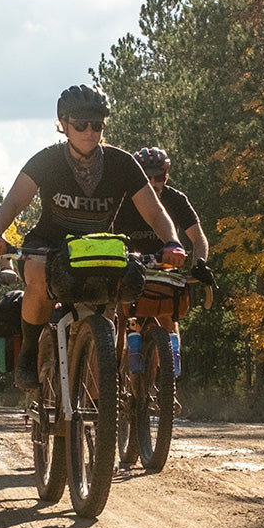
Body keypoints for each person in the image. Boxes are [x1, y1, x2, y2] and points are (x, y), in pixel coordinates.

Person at [0, 84, 188, 389]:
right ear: (63, 125)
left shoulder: (121, 163)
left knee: (119, 294)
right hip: (48, 247)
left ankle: (99, 396)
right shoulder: (47, 160)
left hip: (100, 249)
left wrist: (172, 242)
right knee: (36, 274)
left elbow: (155, 213)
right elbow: (13, 201)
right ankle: (29, 350)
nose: (90, 132)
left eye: (97, 125)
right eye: (81, 125)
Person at [112, 147, 215, 397]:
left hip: (165, 269)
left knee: (169, 314)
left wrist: (199, 263)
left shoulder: (176, 199)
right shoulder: (122, 201)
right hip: (129, 267)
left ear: (166, 175)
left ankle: (167, 380)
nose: (154, 182)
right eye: (147, 177)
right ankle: (111, 378)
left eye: (159, 176)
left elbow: (198, 238)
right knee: (119, 319)